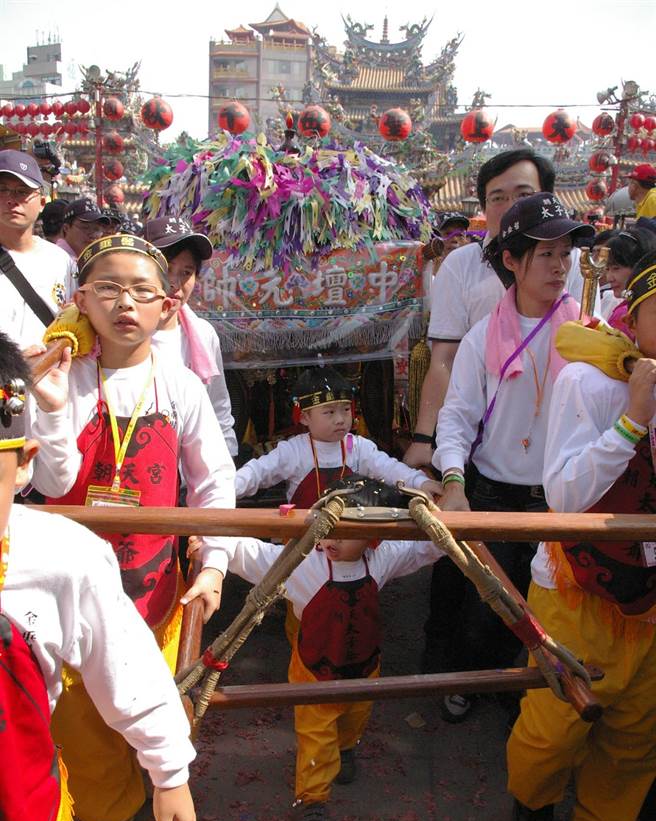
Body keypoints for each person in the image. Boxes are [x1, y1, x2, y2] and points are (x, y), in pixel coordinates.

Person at [29, 233, 235, 821]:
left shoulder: (180, 385)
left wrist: (214, 563)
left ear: (167, 306)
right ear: (79, 300)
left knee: (149, 693)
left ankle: (158, 779)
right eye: (109, 288)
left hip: (152, 586)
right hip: (73, 593)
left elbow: (213, 482)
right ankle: (109, 812)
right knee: (83, 719)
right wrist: (56, 406)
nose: (127, 303)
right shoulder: (64, 378)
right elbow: (55, 479)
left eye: (143, 290)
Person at [0, 333, 196, 821]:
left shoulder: (57, 555)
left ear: (20, 460)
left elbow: (126, 665)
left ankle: (115, 814)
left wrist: (168, 770)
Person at [507, 248, 656, 821]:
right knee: (553, 727)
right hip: (576, 591)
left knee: (634, 738)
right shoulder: (590, 383)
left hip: (650, 604)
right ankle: (531, 802)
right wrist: (633, 421)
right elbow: (564, 496)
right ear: (633, 314)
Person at [432, 193, 594, 722]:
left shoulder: (589, 334)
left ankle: (525, 691)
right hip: (496, 492)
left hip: (563, 497)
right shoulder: (483, 338)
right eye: (544, 253)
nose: (559, 264)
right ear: (511, 260)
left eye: (565, 251)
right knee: (490, 605)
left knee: (551, 605)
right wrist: (453, 481)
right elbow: (457, 416)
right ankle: (471, 681)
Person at [227, 477, 444, 821]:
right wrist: (216, 544)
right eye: (329, 527)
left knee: (355, 716)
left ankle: (347, 746)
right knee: (315, 738)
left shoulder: (383, 559)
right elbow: (254, 555)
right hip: (314, 672)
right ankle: (311, 801)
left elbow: (423, 548)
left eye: (346, 532)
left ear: (374, 538)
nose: (331, 539)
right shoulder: (304, 565)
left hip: (364, 667)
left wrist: (440, 516)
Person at [404, 149, 588, 469]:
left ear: (545, 198)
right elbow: (444, 359)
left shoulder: (570, 265)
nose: (511, 207)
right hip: (481, 444)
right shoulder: (460, 265)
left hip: (556, 443)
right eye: (497, 198)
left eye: (523, 195)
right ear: (483, 206)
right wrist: (423, 438)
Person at [235, 366, 441, 507]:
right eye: (329, 412)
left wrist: (420, 482)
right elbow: (257, 472)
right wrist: (226, 489)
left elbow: (390, 469)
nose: (341, 419)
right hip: (304, 542)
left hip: (352, 537)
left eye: (345, 410)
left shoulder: (360, 448)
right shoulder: (293, 450)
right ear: (305, 417)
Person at [143, 216, 237, 456]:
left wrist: (225, 465)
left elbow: (218, 406)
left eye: (187, 272)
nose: (175, 283)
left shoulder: (203, 335)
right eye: (165, 269)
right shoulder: (121, 332)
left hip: (189, 476)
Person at [0, 150, 76, 351]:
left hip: (50, 376)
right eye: (2, 189)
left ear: (42, 202)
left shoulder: (60, 260)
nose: (11, 199)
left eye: (22, 191)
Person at [603, 227, 656, 334]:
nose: (609, 278)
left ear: (639, 267)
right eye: (607, 269)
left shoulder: (626, 314)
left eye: (616, 268)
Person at [56, 197, 112, 262]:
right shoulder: (56, 259)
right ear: (66, 228)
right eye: (85, 228)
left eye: (97, 229)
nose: (92, 235)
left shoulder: (91, 260)